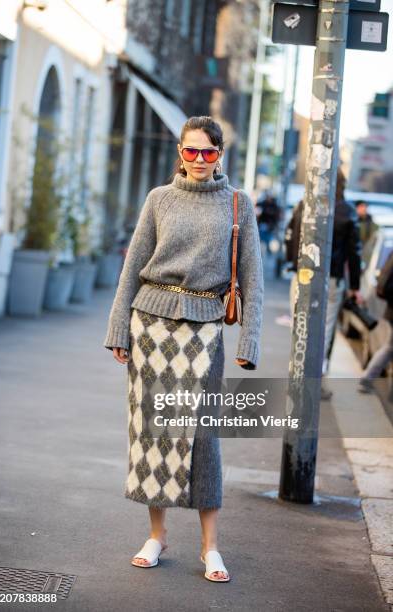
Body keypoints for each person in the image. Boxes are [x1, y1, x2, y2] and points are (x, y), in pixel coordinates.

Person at [103, 116, 264, 582]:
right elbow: (133, 266)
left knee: (202, 437)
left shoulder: (238, 205)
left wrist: (248, 340)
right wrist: (118, 328)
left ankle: (211, 547)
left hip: (205, 329)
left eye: (208, 153)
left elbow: (252, 280)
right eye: (190, 151)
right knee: (153, 433)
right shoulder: (159, 199)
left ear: (220, 155)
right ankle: (157, 535)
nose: (198, 160)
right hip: (149, 325)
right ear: (180, 151)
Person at [285, 169, 363, 393]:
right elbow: (354, 253)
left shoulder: (305, 203)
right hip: (332, 278)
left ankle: (297, 377)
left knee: (298, 326)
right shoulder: (348, 212)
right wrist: (355, 286)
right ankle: (315, 383)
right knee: (324, 332)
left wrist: (293, 263)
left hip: (302, 274)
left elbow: (291, 235)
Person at [359, 249, 393, 393]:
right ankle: (367, 378)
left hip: (391, 308)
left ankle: (367, 378)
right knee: (389, 347)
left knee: (390, 347)